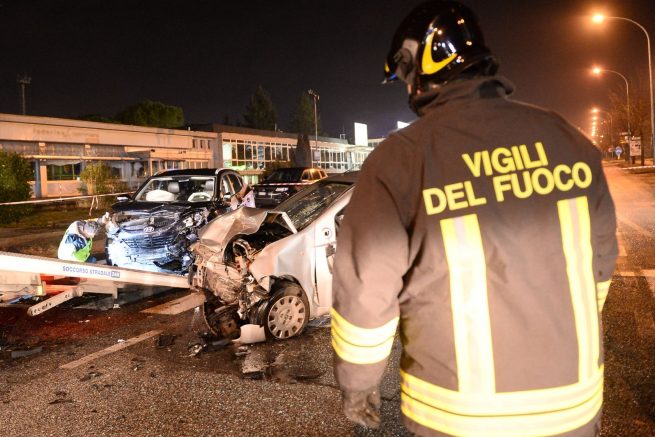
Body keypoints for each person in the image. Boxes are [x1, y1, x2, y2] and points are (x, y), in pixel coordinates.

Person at [331, 2, 618, 436]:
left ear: (421, 63)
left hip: (459, 415)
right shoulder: (567, 140)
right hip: (572, 407)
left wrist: (357, 383)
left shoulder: (402, 158)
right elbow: (600, 266)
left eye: (405, 73)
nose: (407, 86)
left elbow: (365, 290)